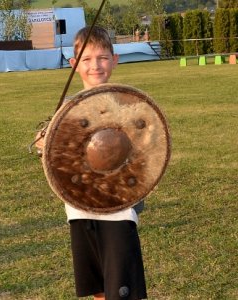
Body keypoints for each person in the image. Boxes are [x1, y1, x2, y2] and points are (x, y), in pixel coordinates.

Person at [35, 26, 147, 300]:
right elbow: (61, 156)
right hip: (79, 207)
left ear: (115, 60)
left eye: (102, 57)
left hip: (118, 207)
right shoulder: (68, 109)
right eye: (86, 59)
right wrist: (43, 143)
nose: (95, 65)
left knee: (122, 289)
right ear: (74, 65)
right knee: (97, 287)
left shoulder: (129, 104)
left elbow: (145, 152)